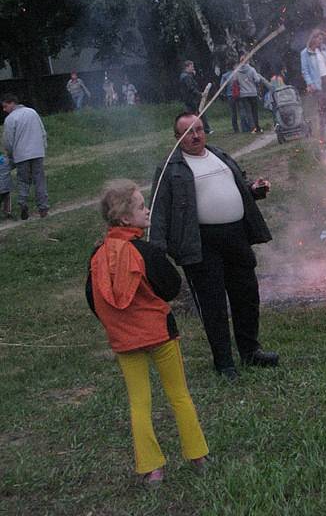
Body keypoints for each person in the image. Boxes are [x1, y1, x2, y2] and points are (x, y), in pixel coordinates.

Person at [86, 179, 208, 485]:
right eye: (142, 206)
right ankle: (197, 455)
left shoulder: (97, 254)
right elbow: (171, 286)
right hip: (159, 336)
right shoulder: (146, 251)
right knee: (178, 394)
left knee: (139, 402)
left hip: (124, 340)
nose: (147, 210)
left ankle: (152, 468)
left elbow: (93, 297)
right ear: (125, 218)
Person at [149, 113, 278, 379]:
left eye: (198, 130)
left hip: (236, 236)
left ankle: (250, 351)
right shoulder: (170, 169)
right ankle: (224, 362)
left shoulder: (219, 154)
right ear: (177, 139)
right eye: (188, 133)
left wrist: (254, 189)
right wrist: (156, 251)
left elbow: (239, 186)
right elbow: (158, 211)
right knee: (213, 304)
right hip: (201, 243)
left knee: (246, 294)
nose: (195, 136)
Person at [1, 93, 48, 220]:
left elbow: (8, 141)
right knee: (39, 180)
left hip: (21, 155)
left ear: (12, 103)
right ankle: (43, 208)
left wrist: (11, 155)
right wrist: (43, 147)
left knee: (23, 181)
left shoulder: (10, 119)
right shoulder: (32, 112)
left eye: (5, 106)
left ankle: (23, 204)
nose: (4, 109)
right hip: (37, 152)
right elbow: (42, 131)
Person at [300, 29, 326, 139]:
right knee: (323, 108)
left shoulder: (324, 49)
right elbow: (305, 71)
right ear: (313, 39)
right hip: (318, 83)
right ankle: (323, 135)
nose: (321, 41)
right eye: (319, 38)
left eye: (322, 39)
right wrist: (310, 83)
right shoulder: (305, 53)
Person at [234, 56, 272, 133]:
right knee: (254, 111)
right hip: (252, 93)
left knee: (248, 112)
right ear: (248, 61)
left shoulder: (237, 71)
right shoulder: (252, 69)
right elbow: (257, 80)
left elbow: (235, 81)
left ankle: (252, 128)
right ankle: (257, 127)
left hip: (243, 94)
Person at [179, 61, 212, 134]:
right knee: (197, 114)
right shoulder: (186, 77)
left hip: (189, 99)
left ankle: (201, 129)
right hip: (191, 99)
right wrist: (200, 94)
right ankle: (205, 129)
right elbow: (191, 88)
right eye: (192, 66)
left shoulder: (186, 76)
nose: (193, 68)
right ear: (187, 67)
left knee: (196, 114)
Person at [220, 63, 240, 133]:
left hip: (230, 95)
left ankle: (236, 129)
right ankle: (246, 126)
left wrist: (224, 94)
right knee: (242, 110)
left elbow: (222, 86)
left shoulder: (225, 76)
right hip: (239, 95)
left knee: (233, 112)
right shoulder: (238, 74)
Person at [0, 150, 13, 218]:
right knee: (7, 199)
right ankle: (7, 212)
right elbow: (13, 165)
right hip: (6, 186)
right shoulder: (6, 160)